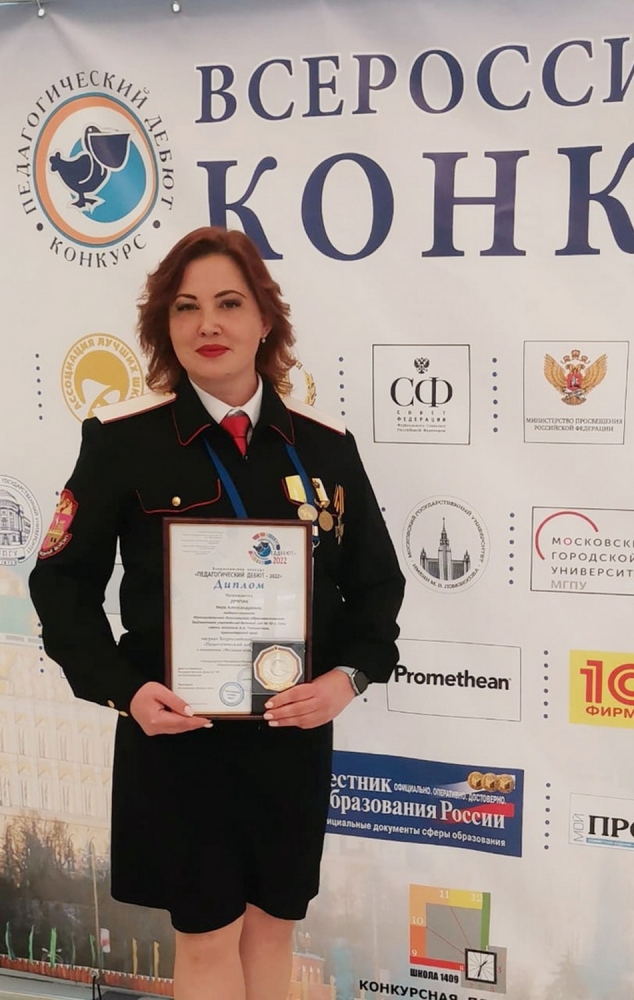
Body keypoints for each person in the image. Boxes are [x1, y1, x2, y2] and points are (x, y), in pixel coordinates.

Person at [29, 226, 405, 1000]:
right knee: (204, 942)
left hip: (292, 736)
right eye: (186, 307)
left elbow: (377, 586)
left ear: (265, 319)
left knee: (274, 931)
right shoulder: (124, 442)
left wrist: (347, 679)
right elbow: (60, 586)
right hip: (178, 737)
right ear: (163, 325)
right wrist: (126, 692)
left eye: (229, 303)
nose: (208, 323)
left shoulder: (324, 448)